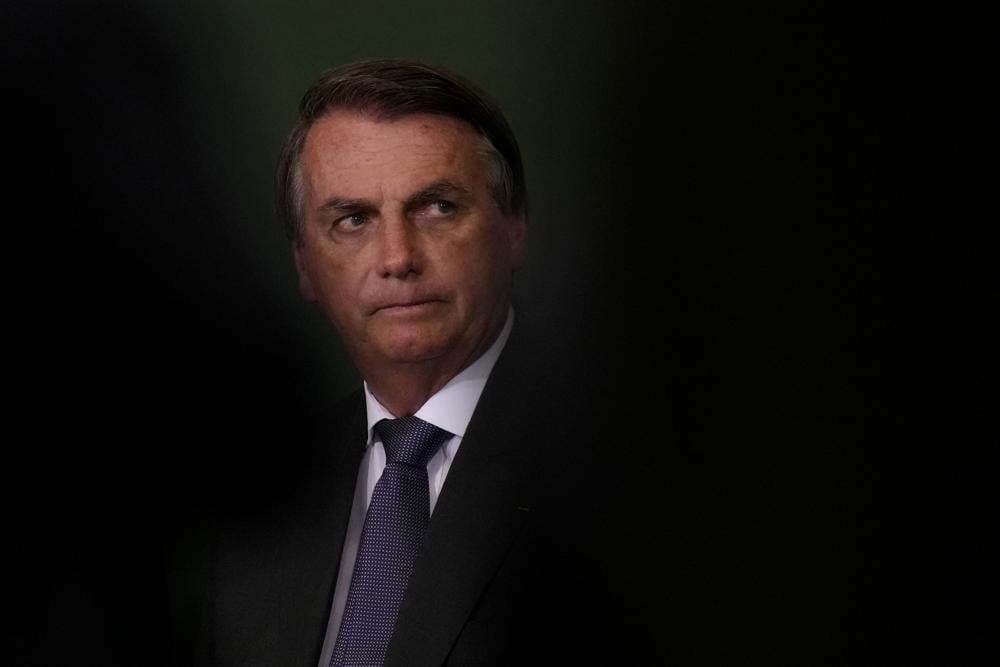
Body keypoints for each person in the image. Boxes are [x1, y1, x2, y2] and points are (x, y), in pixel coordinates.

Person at [196, 58, 631, 666]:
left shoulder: (622, 464)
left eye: (438, 207)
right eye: (353, 220)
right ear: (304, 265)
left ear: (514, 228)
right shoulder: (262, 495)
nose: (397, 257)